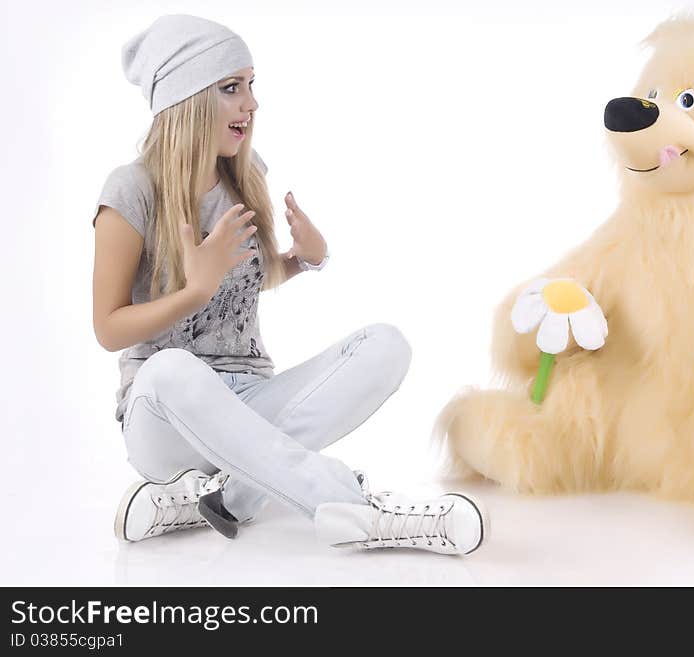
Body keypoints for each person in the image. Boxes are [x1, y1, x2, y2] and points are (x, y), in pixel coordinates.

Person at [91, 14, 487, 555]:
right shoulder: (131, 189)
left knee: (386, 344)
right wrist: (191, 293)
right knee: (169, 369)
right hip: (163, 417)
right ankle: (355, 510)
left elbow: (243, 282)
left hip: (249, 398)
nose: (250, 104)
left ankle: (226, 497)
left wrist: (303, 261)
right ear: (186, 99)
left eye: (251, 86)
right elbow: (108, 328)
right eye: (231, 88)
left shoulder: (243, 176)